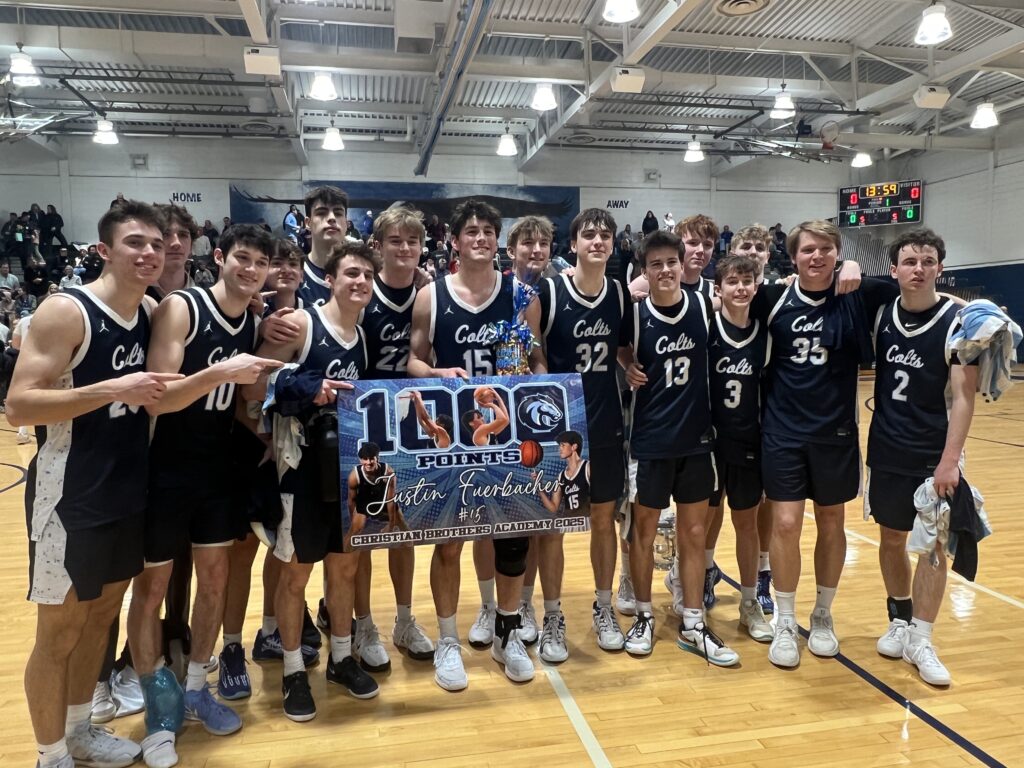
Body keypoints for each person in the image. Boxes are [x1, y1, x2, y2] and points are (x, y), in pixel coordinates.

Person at [8, 200, 181, 768]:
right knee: (59, 630)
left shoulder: (151, 311)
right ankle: (49, 753)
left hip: (126, 490)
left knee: (103, 614)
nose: (149, 252)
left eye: (157, 243)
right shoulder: (67, 311)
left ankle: (80, 729)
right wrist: (112, 389)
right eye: (135, 242)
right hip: (69, 494)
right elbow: (20, 406)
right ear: (104, 250)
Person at [127, 225, 281, 765]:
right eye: (242, 258)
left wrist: (261, 429)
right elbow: (156, 398)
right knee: (152, 590)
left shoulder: (256, 320)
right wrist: (222, 369)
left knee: (215, 582)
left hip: (220, 468)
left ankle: (196, 685)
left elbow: (241, 397)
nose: (250, 269)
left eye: (260, 262)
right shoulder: (181, 307)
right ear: (219, 257)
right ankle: (158, 707)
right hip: (166, 468)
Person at [408, 199, 545, 688]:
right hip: (454, 437)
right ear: (456, 240)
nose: (481, 238)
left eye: (489, 230)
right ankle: (448, 640)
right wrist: (437, 372)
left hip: (507, 433)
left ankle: (508, 631)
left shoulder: (520, 294)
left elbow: (539, 361)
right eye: (472, 231)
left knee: (513, 541)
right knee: (449, 544)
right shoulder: (431, 296)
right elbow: (413, 363)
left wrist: (538, 394)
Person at [245, 241, 379, 722]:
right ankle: (293, 668)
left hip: (343, 470)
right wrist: (307, 388)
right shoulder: (302, 324)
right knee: (296, 573)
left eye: (367, 274)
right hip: (299, 466)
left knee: (344, 569)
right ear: (330, 278)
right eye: (351, 274)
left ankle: (342, 657)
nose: (359, 282)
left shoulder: (361, 336)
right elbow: (252, 383)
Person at [752, 220, 894, 669]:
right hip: (783, 430)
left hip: (835, 432)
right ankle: (787, 619)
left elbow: (914, 289)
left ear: (837, 254)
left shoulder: (858, 293)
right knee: (787, 524)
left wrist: (854, 266)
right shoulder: (774, 299)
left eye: (827, 250)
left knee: (833, 523)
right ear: (792, 258)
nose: (817, 257)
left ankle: (823, 614)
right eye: (808, 250)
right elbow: (723, 301)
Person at [619, 230, 735, 663]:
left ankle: (692, 621)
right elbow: (620, 349)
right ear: (644, 271)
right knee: (643, 534)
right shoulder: (633, 314)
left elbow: (748, 300)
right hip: (649, 442)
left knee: (692, 534)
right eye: (656, 264)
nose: (665, 270)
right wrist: (628, 366)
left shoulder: (706, 306)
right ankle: (645, 616)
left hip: (696, 441)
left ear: (682, 263)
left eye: (671, 262)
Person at [868, 229, 976, 686]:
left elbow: (965, 396)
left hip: (934, 453)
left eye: (927, 261)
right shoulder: (881, 314)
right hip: (886, 448)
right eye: (909, 261)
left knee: (933, 546)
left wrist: (950, 461)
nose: (918, 268)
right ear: (894, 269)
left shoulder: (958, 320)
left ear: (940, 268)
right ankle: (899, 618)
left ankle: (923, 637)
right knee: (892, 539)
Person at [341, 206, 434, 666]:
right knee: (362, 533)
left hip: (410, 426)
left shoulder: (428, 295)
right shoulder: (361, 293)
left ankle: (403, 618)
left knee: (403, 530)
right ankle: (363, 626)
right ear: (378, 246)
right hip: (363, 427)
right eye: (395, 241)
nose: (404, 249)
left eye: (412, 242)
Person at [536, 207, 630, 660]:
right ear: (572, 244)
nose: (598, 241)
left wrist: (630, 367)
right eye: (588, 235)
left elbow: (627, 348)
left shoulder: (620, 293)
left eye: (605, 235)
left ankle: (605, 606)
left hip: (606, 422)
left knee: (602, 520)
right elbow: (533, 354)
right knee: (553, 525)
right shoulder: (550, 291)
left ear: (613, 245)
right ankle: (552, 615)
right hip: (560, 430)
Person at [705, 254, 774, 643]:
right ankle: (698, 579)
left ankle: (749, 602)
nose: (741, 288)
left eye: (747, 281)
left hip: (749, 443)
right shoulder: (706, 327)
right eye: (732, 281)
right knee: (706, 519)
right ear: (719, 289)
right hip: (710, 442)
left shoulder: (765, 335)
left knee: (746, 523)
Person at [628, 215, 717, 302]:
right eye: (693, 243)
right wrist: (630, 303)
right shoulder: (652, 279)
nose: (701, 250)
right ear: (678, 246)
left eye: (708, 245)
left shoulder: (710, 290)